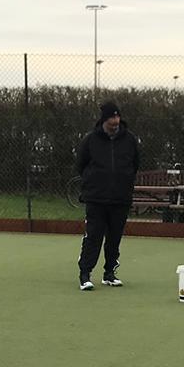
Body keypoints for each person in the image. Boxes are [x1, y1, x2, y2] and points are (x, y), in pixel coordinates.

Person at [74, 101, 141, 289]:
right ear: (104, 120)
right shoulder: (90, 140)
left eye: (117, 117)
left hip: (121, 198)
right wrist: (92, 181)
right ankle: (85, 274)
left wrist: (125, 180)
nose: (115, 121)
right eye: (112, 118)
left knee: (114, 238)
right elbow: (81, 165)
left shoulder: (129, 140)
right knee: (93, 237)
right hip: (96, 198)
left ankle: (109, 273)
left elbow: (135, 164)